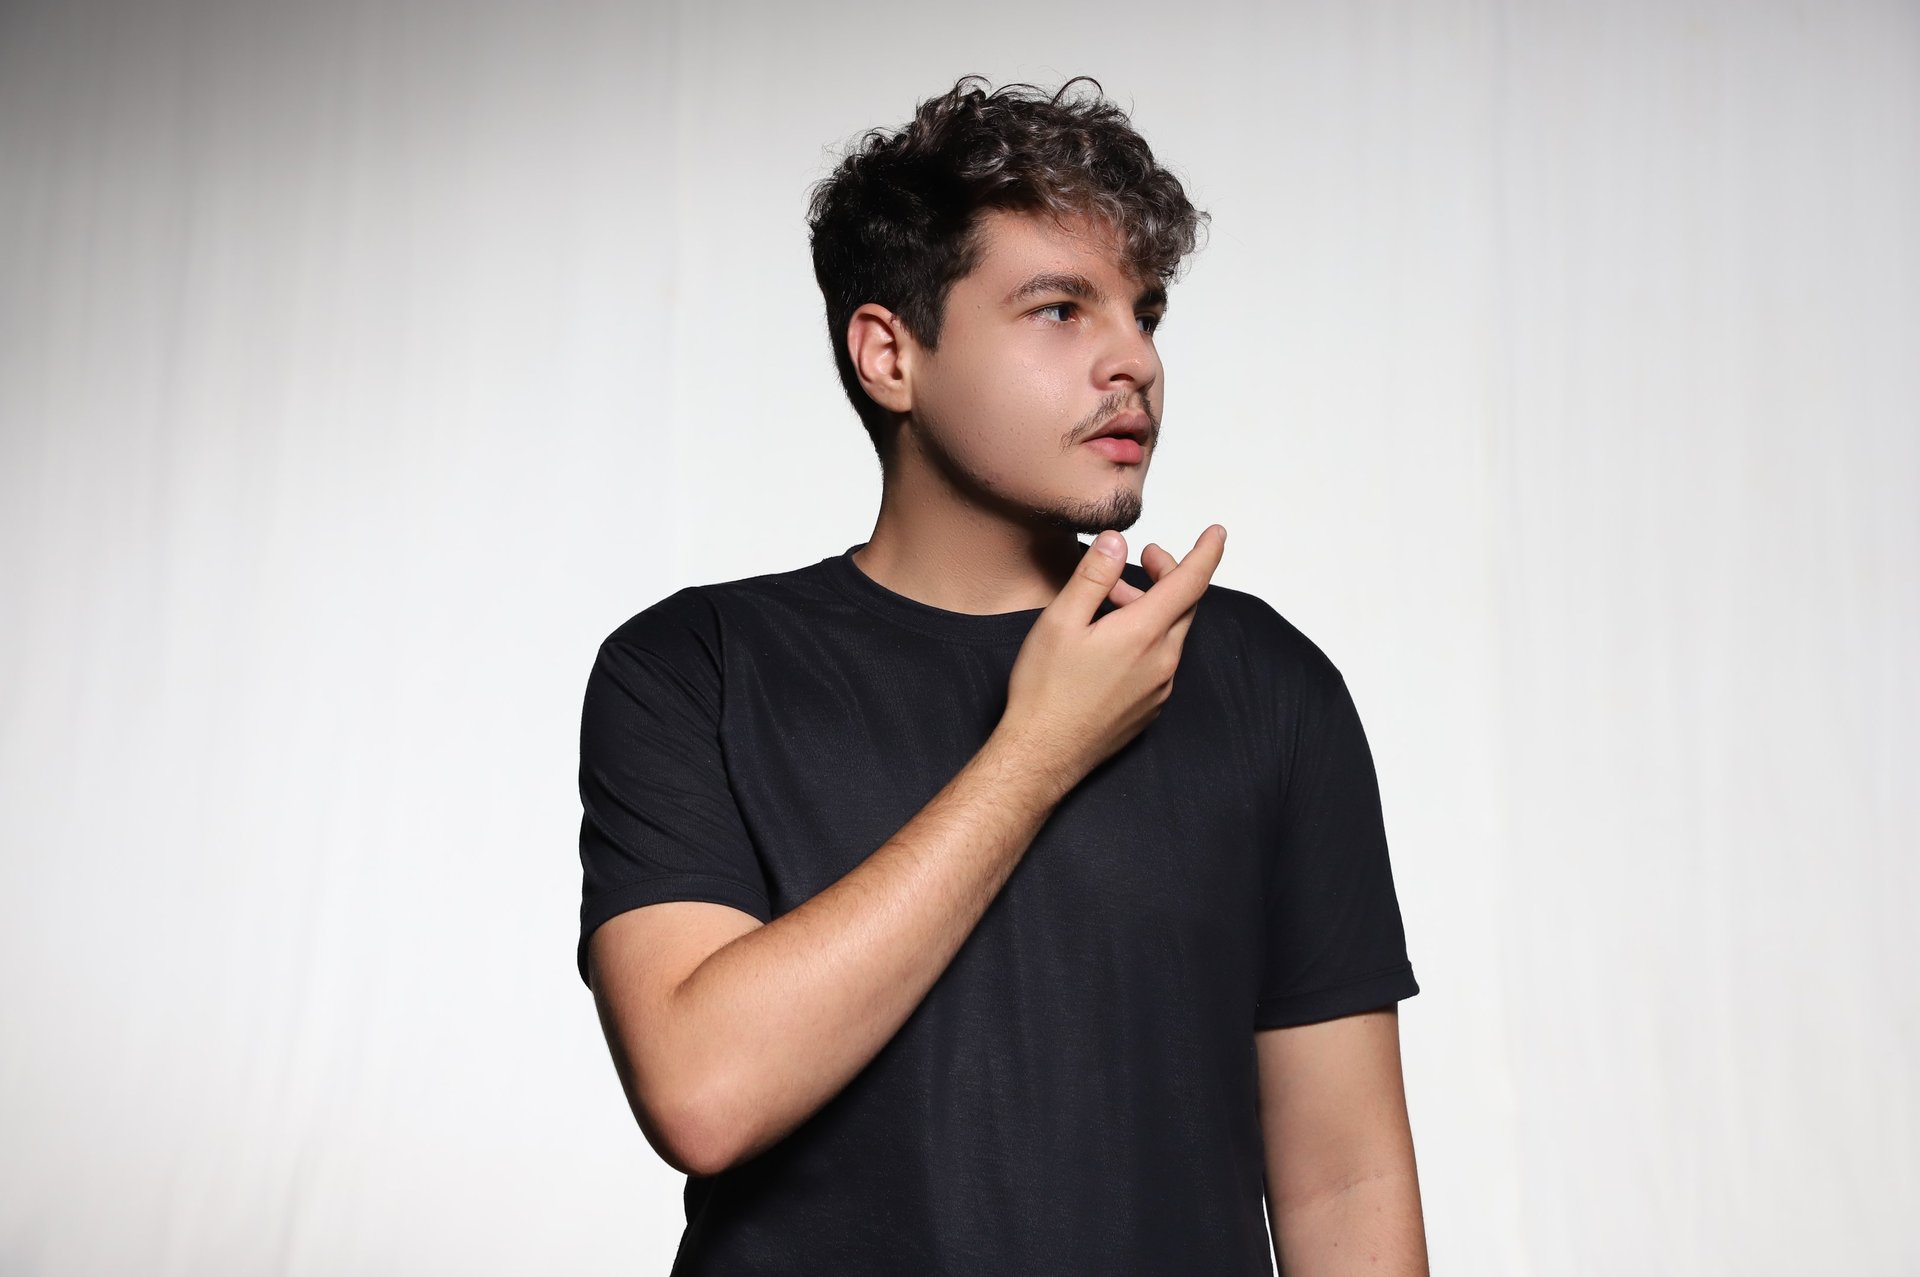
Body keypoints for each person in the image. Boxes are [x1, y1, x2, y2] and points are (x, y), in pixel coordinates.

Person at [575, 74, 1427, 1275]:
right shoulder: (694, 669)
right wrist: (1036, 751)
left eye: (1146, 311)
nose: (1133, 360)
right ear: (891, 354)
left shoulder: (1262, 682)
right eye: (1061, 309)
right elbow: (705, 1091)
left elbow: (1347, 1175)